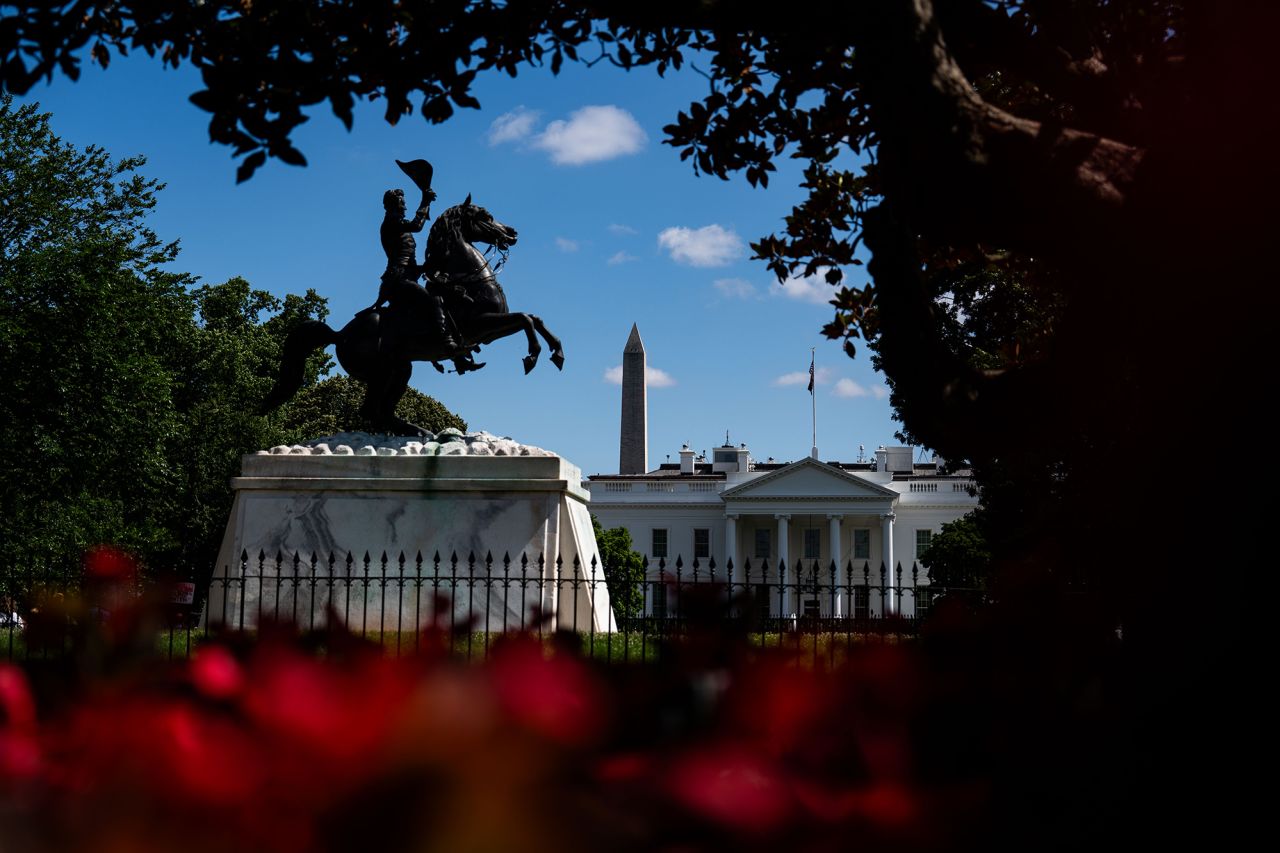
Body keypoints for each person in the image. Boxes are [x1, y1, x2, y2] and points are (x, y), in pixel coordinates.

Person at [364, 187, 482, 373]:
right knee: (433, 299)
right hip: (398, 280)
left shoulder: (397, 224)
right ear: (392, 205)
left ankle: (458, 357)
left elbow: (410, 261)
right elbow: (417, 226)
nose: (404, 205)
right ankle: (448, 343)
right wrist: (425, 201)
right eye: (401, 202)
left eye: (404, 201)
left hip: (409, 276)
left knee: (443, 295)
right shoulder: (391, 222)